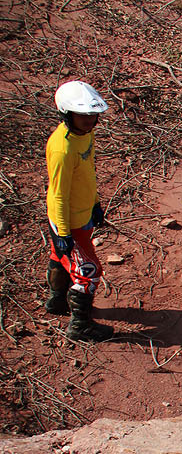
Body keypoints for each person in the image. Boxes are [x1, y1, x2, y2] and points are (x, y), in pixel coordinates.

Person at [44, 80, 113, 343]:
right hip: (67, 220)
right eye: (82, 115)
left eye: (92, 115)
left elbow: (88, 173)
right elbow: (58, 195)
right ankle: (79, 326)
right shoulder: (62, 149)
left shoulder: (85, 135)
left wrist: (95, 203)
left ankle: (57, 301)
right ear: (67, 113)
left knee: (60, 257)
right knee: (89, 271)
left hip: (82, 214)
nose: (89, 120)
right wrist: (63, 232)